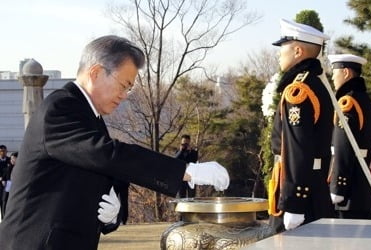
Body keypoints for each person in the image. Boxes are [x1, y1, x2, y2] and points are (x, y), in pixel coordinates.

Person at [0, 35, 229, 250]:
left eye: (129, 89)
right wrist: (186, 171)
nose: (124, 95)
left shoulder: (91, 117)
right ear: (96, 73)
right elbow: (106, 154)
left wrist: (112, 216)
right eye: (123, 85)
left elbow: (98, 173)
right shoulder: (60, 108)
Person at [268, 19, 334, 234]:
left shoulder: (299, 90)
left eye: (282, 49)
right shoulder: (314, 83)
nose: (279, 54)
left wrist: (294, 202)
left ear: (297, 50)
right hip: (313, 185)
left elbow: (298, 147)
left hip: (300, 192)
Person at [327, 54, 371, 219]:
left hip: (349, 191)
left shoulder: (347, 102)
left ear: (346, 73)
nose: (333, 78)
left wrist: (338, 187)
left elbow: (343, 147)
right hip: (363, 187)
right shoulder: (364, 99)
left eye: (335, 73)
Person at [1, 151, 17, 217]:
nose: (12, 160)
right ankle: (3, 216)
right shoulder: (9, 166)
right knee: (5, 200)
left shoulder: (21, 167)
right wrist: (3, 180)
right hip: (9, 184)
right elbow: (5, 175)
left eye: (13, 158)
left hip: (16, 185)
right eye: (11, 159)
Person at [0, 145, 10, 220]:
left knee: (5, 201)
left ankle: (5, 219)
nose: (3, 152)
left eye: (5, 151)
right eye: (1, 151)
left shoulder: (10, 160)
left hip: (7, 185)